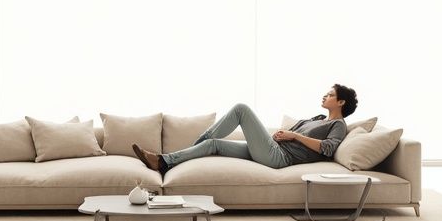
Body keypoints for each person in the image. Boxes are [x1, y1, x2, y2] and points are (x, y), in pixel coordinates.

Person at [132, 84, 357, 174]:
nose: (325, 95)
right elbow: (292, 136)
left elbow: (328, 148)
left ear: (341, 102)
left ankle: (172, 158)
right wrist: (282, 135)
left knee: (241, 109)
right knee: (213, 144)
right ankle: (164, 162)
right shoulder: (318, 118)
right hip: (273, 148)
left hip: (281, 158)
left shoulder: (337, 125)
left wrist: (293, 135)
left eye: (330, 94)